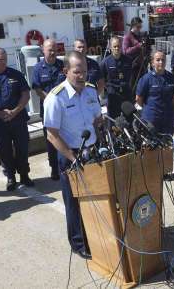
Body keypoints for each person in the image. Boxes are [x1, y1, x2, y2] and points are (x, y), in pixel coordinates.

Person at [43, 51, 102, 260]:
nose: (82, 76)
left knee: (97, 197)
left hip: (93, 152)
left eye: (84, 71)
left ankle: (96, 235)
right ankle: (78, 243)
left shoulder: (91, 91)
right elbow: (52, 134)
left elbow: (97, 119)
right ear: (65, 71)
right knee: (74, 203)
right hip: (71, 155)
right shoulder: (55, 98)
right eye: (77, 71)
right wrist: (71, 157)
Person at [0, 47, 33, 191]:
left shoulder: (16, 75)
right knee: (4, 150)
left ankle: (24, 175)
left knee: (22, 148)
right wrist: (0, 113)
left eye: (4, 60)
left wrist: (14, 112)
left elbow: (26, 95)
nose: (2, 62)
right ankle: (10, 177)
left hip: (18, 119)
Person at [32, 39, 65, 180]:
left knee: (65, 137)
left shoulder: (63, 65)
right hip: (48, 111)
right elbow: (37, 89)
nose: (52, 52)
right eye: (49, 49)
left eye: (54, 50)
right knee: (51, 140)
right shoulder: (38, 68)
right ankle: (54, 168)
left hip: (64, 109)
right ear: (43, 50)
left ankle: (65, 164)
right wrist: (51, 101)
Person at [135, 50, 174, 135]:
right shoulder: (146, 79)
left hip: (167, 119)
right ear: (152, 63)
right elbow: (138, 99)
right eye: (158, 60)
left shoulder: (171, 77)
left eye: (163, 60)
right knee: (152, 146)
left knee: (168, 145)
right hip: (151, 119)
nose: (161, 62)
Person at [100, 36, 133, 119]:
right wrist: (107, 90)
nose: (117, 48)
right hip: (113, 96)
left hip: (126, 94)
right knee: (113, 120)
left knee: (129, 118)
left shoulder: (128, 60)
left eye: (119, 46)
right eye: (114, 46)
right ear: (110, 47)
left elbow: (131, 76)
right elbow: (102, 79)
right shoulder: (105, 62)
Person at [123, 17, 146, 89]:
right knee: (133, 88)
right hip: (132, 67)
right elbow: (125, 51)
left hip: (141, 66)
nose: (140, 28)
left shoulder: (139, 36)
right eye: (138, 27)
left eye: (140, 27)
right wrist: (137, 46)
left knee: (143, 87)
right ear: (133, 26)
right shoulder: (127, 37)